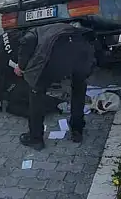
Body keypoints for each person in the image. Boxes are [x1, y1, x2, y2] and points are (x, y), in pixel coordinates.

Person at [14, 22, 97, 150]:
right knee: (79, 88)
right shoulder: (48, 28)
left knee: (36, 93)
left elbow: (26, 47)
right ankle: (77, 130)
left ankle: (35, 138)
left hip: (57, 55)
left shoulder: (30, 35)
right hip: (82, 51)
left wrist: (20, 67)